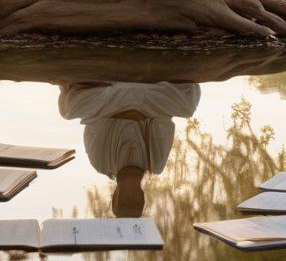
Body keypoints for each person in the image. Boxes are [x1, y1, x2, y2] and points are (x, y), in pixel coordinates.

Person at [57, 80, 201, 217]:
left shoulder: (101, 163)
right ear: (142, 196)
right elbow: (163, 120)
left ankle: (123, 86)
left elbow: (94, 121)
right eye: (135, 200)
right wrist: (131, 109)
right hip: (145, 102)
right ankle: (126, 86)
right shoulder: (155, 164)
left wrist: (130, 110)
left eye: (125, 200)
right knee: (187, 106)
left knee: (68, 110)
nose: (130, 194)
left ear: (115, 195)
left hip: (112, 101)